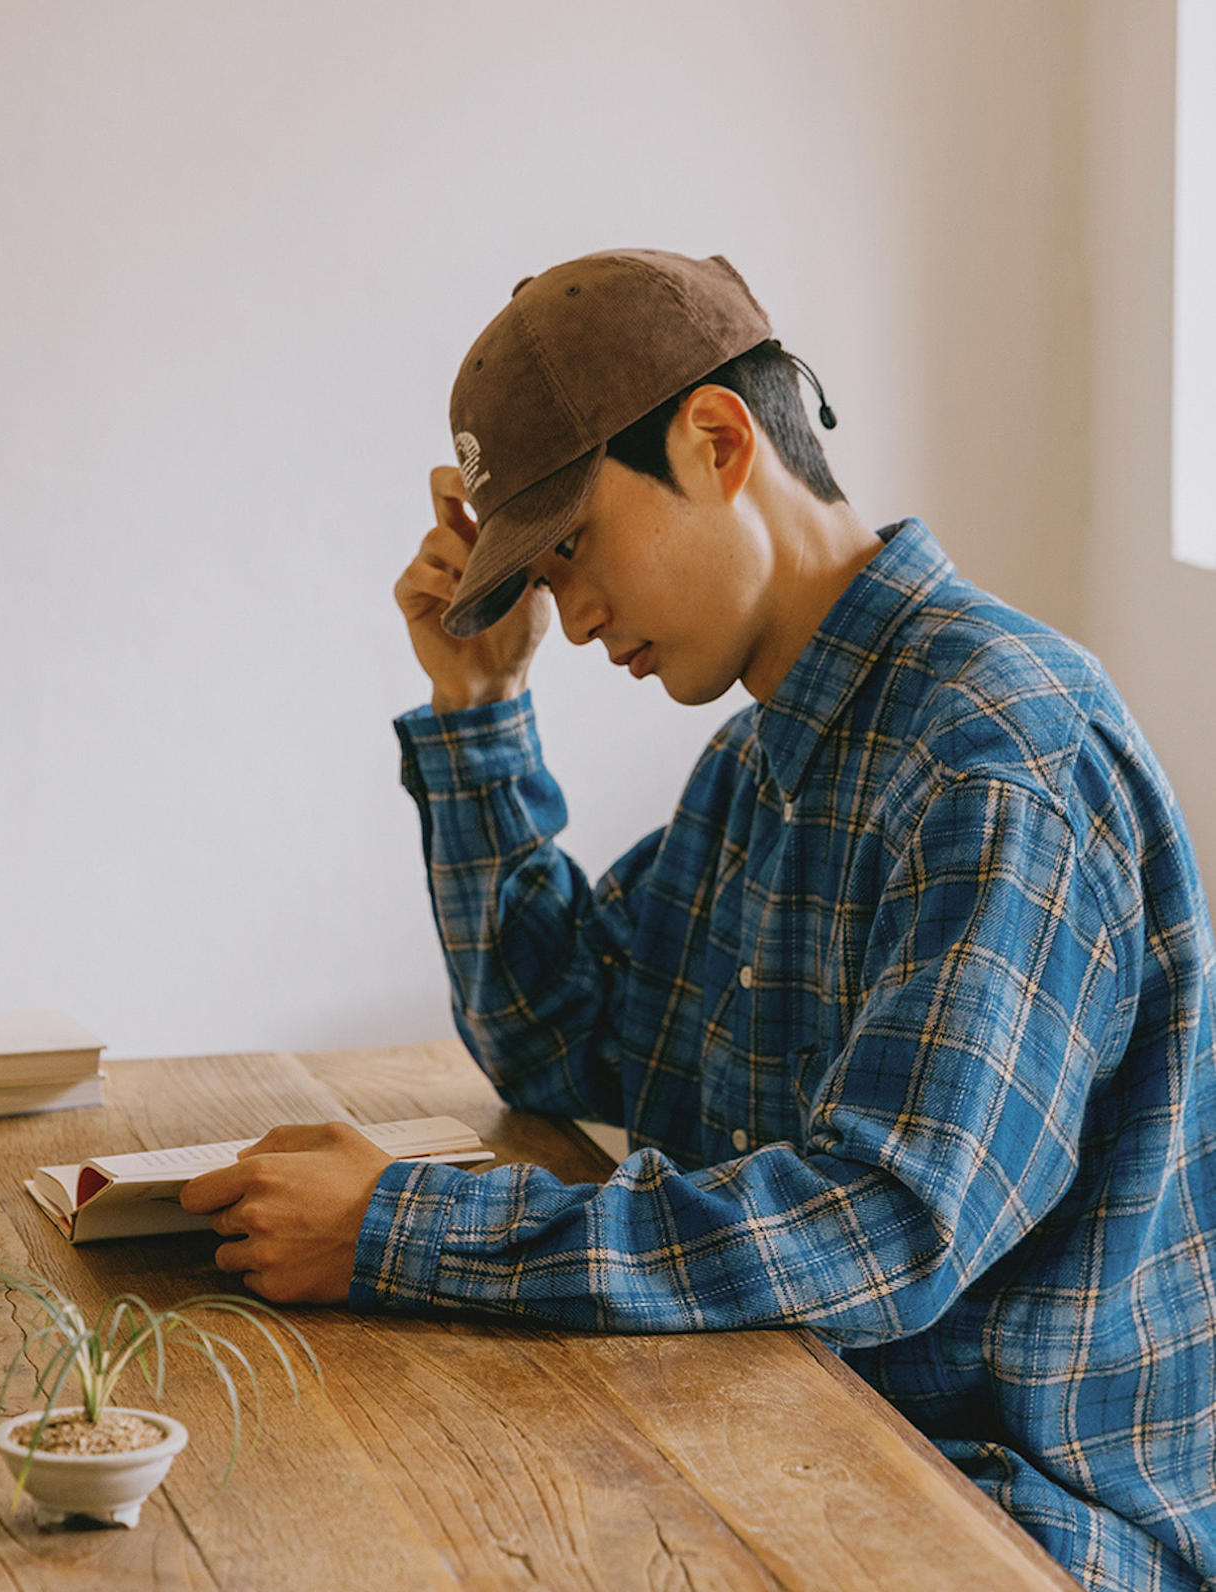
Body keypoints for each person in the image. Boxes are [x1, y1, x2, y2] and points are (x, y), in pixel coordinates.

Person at [181, 249, 1216, 1592]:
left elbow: (883, 1223)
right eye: (539, 575)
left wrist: (401, 1227)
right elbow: (560, 1041)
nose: (572, 611)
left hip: (1003, 1525)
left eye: (572, 550)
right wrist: (479, 710)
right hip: (777, 1439)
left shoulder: (992, 752)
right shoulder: (767, 759)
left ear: (718, 441)